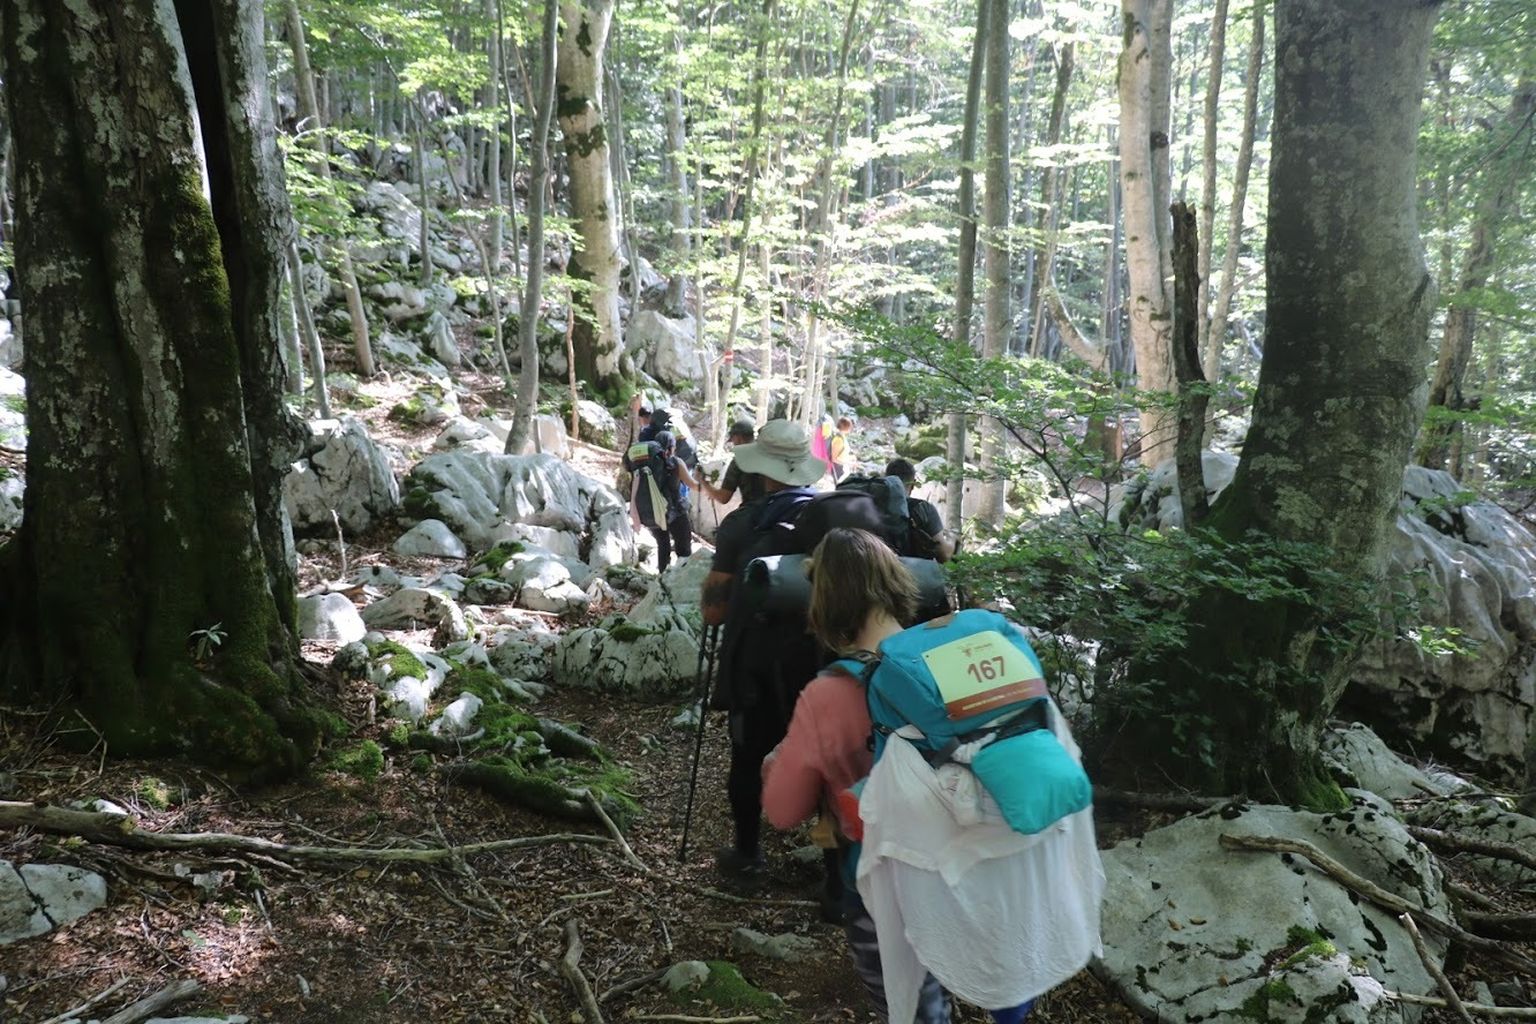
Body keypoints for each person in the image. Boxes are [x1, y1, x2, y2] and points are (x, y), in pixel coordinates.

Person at [762, 528, 1102, 1024]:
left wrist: (780, 766)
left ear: (824, 605)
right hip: (994, 850)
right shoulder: (960, 651)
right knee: (1004, 969)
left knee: (917, 1001)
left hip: (901, 882)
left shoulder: (829, 694)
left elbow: (782, 810)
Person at [700, 420, 824, 880]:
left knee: (748, 755)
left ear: (762, 469)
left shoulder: (743, 524)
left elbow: (714, 612)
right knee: (827, 753)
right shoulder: (832, 518)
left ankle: (748, 853)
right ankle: (835, 872)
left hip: (757, 662)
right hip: (823, 659)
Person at [628, 430, 699, 572]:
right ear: (671, 447)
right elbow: (693, 485)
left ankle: (662, 577)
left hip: (653, 513)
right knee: (683, 547)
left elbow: (634, 491)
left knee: (663, 545)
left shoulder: (642, 467)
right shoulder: (676, 462)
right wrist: (705, 483)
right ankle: (682, 577)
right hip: (675, 512)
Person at [883, 458, 955, 563]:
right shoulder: (923, 508)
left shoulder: (870, 502)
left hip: (873, 566)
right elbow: (944, 555)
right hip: (909, 569)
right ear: (913, 484)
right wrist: (953, 538)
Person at [704, 420, 766, 507]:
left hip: (755, 510)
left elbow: (723, 498)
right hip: (778, 505)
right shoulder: (767, 450)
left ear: (738, 438)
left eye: (733, 440)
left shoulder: (738, 460)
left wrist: (703, 482)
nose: (734, 444)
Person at [829, 416, 855, 483]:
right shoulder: (838, 439)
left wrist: (850, 459)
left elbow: (842, 453)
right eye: (850, 426)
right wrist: (849, 463)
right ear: (847, 427)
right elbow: (834, 459)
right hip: (838, 469)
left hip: (842, 467)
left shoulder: (842, 437)